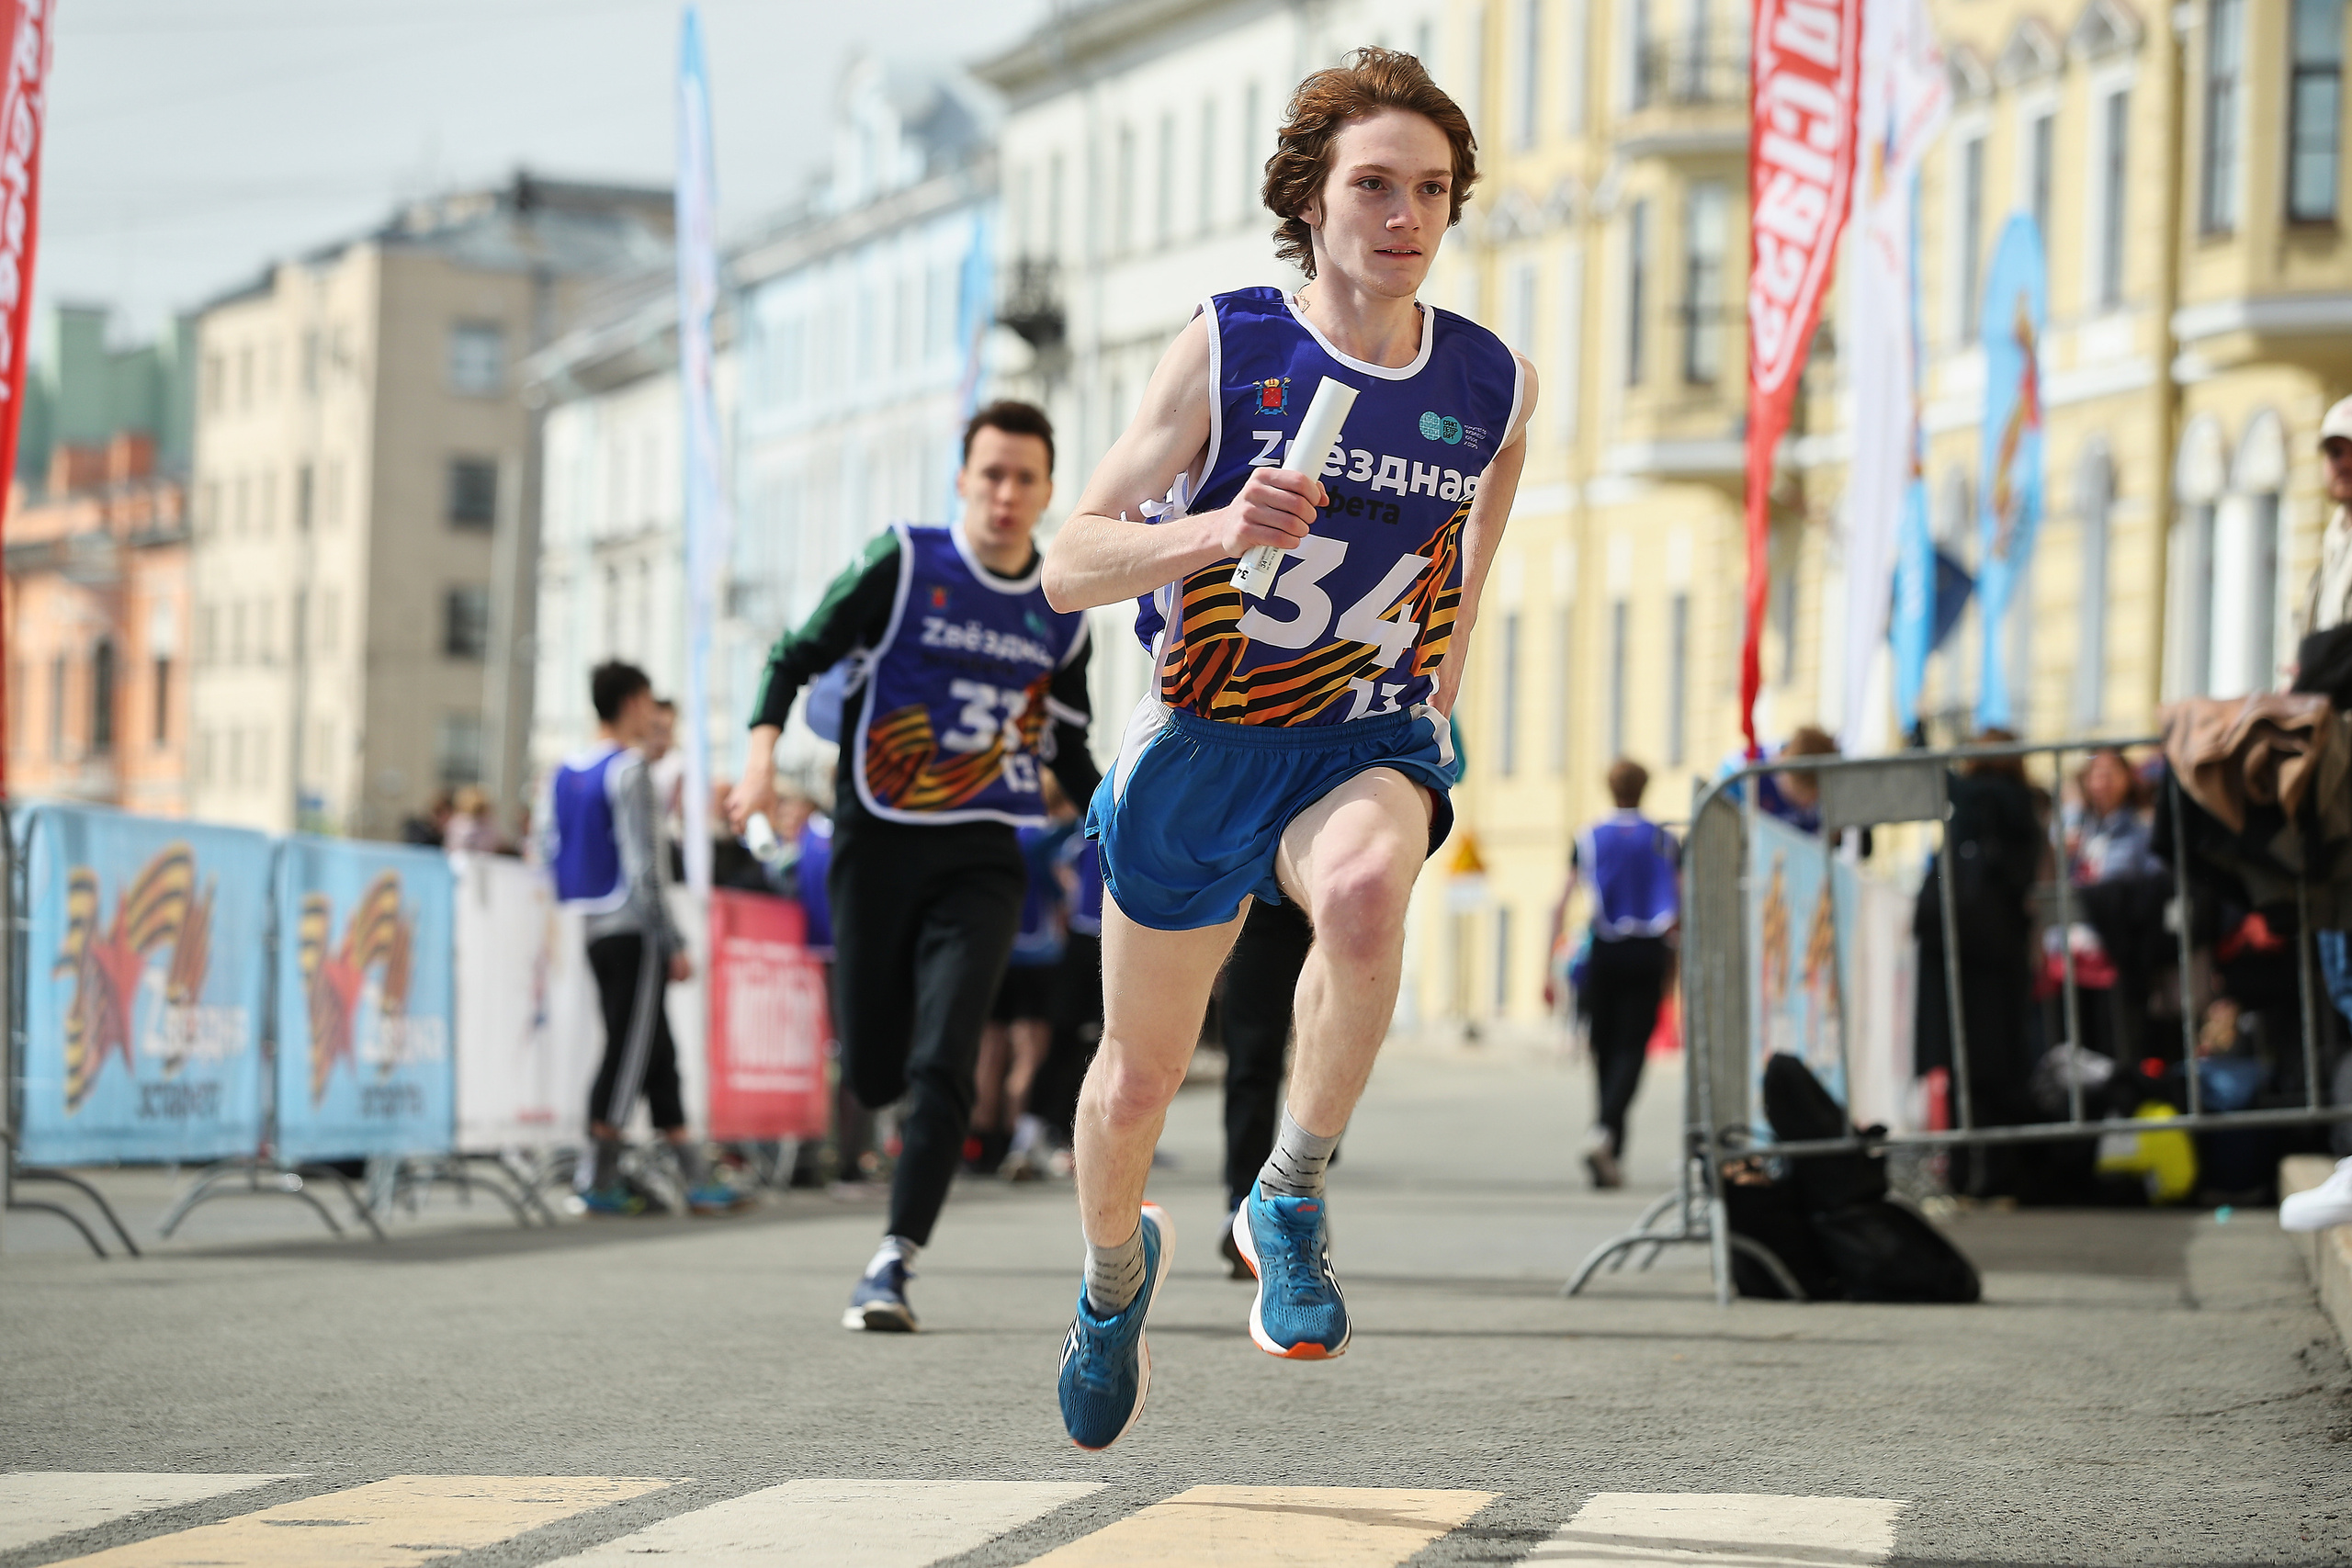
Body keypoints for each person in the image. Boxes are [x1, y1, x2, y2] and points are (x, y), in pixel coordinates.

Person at [1040, 48, 1534, 1450]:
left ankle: (1292, 1186)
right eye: (1373, 184)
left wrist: (1428, 700)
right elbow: (1071, 562)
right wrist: (1213, 529)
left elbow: (1465, 578)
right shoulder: (1231, 341)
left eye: (1431, 189)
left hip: (1356, 734)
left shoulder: (1493, 384)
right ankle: (1110, 1278)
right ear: (1310, 200)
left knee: (1374, 887)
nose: (1405, 215)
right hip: (1204, 739)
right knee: (1135, 1078)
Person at [725, 400, 1099, 1333]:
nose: (1007, 495)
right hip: (878, 840)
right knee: (877, 1060)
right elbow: (791, 655)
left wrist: (1136, 825)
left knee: (944, 1062)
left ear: (1049, 491)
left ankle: (894, 1260)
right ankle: (884, 1101)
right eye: (992, 476)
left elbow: (1070, 754)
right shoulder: (900, 562)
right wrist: (760, 760)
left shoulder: (1061, 607)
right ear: (964, 480)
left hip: (983, 853)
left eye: (1026, 479)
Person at [537, 660, 747, 1218]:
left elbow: (548, 844)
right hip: (631, 925)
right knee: (628, 1053)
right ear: (631, 702)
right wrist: (672, 938)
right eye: (649, 702)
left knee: (656, 1048)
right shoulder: (629, 771)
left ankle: (694, 1173)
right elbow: (644, 863)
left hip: (589, 922)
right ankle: (597, 1176)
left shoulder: (565, 770)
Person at [1545, 759, 1679, 1189]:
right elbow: (1681, 902)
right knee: (1632, 1048)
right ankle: (1606, 1136)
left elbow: (1560, 902)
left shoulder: (1589, 836)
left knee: (1603, 1047)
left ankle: (1605, 1137)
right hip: (1649, 950)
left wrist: (1548, 969)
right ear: (1645, 788)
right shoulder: (1664, 838)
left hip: (1602, 949)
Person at [978, 782, 1077, 1179]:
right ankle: (1016, 1144)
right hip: (1038, 953)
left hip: (996, 951)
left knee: (988, 1054)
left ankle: (982, 1142)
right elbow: (1061, 892)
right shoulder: (1047, 840)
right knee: (1029, 1054)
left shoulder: (999, 836)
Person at [1214, 901, 1316, 1276]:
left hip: (1333, 896)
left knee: (1329, 1054)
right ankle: (1243, 1202)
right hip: (1257, 896)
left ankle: (1305, 1185)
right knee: (1252, 1055)